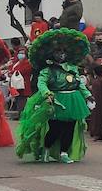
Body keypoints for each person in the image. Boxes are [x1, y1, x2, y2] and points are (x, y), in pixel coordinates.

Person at [17, 29, 94, 163]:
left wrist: (88, 95)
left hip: (73, 100)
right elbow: (42, 83)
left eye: (63, 52)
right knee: (55, 128)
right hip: (56, 100)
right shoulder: (47, 70)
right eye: (58, 52)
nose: (61, 55)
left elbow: (79, 84)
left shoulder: (72, 68)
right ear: (52, 54)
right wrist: (47, 93)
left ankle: (64, 152)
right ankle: (46, 149)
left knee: (70, 128)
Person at [87, 64, 102, 141]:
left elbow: (96, 94)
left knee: (97, 118)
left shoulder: (96, 82)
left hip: (98, 102)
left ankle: (97, 133)